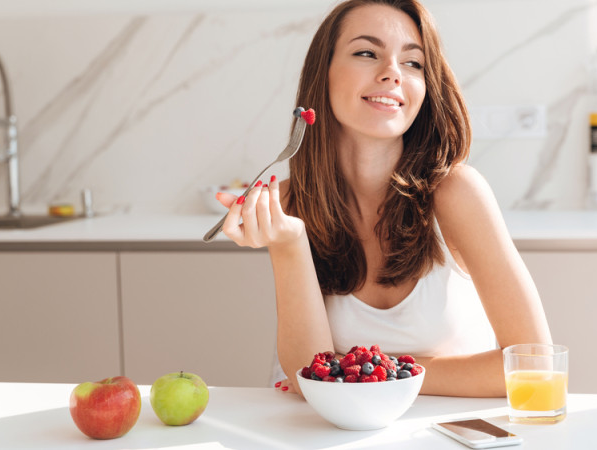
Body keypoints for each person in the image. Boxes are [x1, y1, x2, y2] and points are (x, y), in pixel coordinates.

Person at [216, 0, 552, 397]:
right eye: (366, 53)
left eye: (413, 63)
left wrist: (379, 372)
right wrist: (289, 244)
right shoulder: (288, 204)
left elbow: (535, 366)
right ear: (321, 76)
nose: (392, 72)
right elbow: (309, 377)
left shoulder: (457, 193)